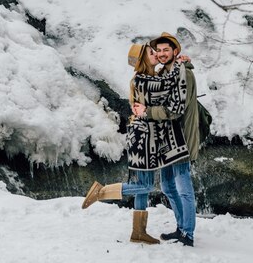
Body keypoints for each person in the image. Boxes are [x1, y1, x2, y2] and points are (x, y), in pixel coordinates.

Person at [81, 43, 189, 245]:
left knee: (142, 186)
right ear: (142, 60)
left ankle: (138, 232)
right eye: (151, 52)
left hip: (145, 136)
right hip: (144, 137)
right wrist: (178, 65)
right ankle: (101, 192)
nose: (156, 53)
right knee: (145, 184)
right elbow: (166, 87)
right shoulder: (142, 79)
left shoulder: (148, 78)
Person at [133, 32, 199, 247]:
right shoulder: (166, 72)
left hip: (181, 139)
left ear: (175, 52)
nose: (161, 54)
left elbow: (175, 110)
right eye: (158, 51)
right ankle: (181, 227)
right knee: (168, 187)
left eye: (166, 50)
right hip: (166, 140)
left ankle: (187, 234)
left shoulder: (184, 75)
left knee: (183, 187)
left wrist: (147, 112)